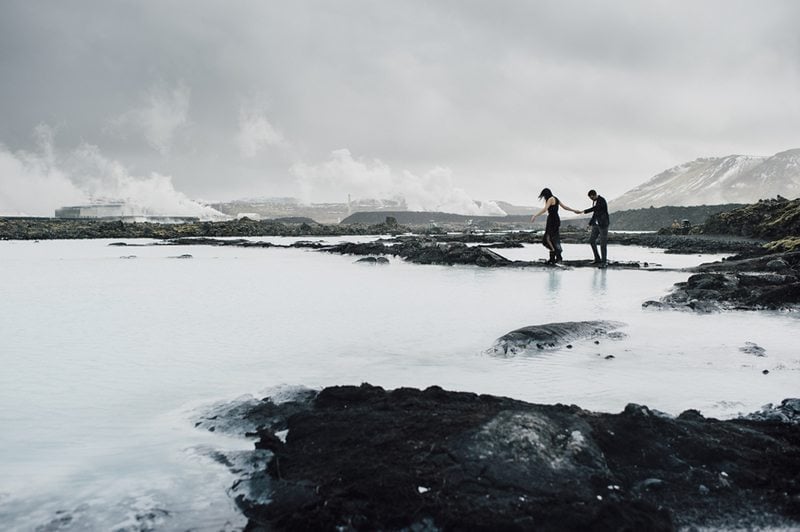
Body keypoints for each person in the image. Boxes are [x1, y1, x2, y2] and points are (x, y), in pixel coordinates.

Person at [530, 188, 581, 264]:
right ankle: (555, 257)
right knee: (553, 238)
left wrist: (535, 215)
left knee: (547, 238)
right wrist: (574, 210)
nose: (544, 198)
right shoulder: (556, 198)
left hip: (552, 220)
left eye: (544, 196)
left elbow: (545, 210)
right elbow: (565, 207)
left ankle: (555, 255)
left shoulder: (550, 199)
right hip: (556, 219)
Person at [581, 189, 610, 267]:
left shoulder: (602, 200)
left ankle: (604, 262)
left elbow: (595, 209)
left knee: (603, 243)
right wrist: (590, 223)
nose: (591, 199)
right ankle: (597, 258)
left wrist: (584, 211)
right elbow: (595, 213)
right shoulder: (594, 201)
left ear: (593, 195)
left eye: (591, 198)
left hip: (603, 224)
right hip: (596, 225)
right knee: (591, 240)